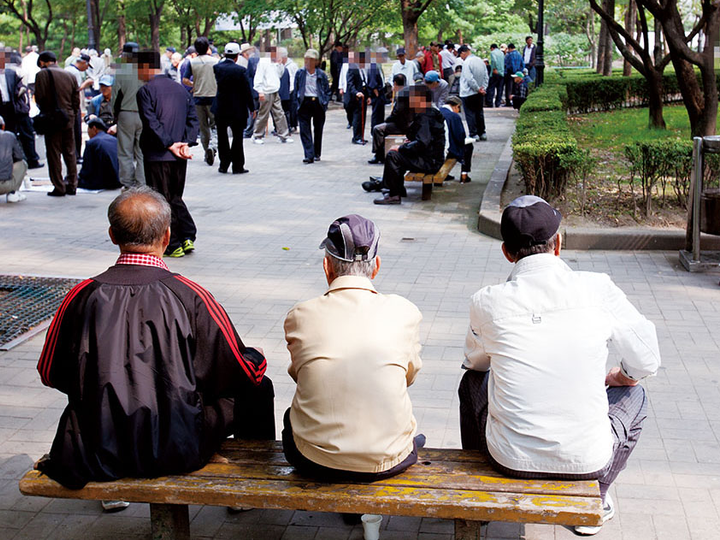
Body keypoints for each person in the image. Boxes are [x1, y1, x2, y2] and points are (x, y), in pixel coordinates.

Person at [35, 187, 275, 491]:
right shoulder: (190, 296)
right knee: (258, 388)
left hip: (95, 446)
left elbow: (50, 373)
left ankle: (112, 483)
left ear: (112, 235)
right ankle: (247, 488)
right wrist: (255, 356)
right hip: (176, 446)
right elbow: (237, 372)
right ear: (166, 236)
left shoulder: (82, 296)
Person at [459, 195, 661, 536]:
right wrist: (621, 376)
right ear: (559, 244)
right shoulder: (598, 288)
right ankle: (596, 494)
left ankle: (482, 496)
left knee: (472, 382)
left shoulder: (487, 302)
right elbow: (647, 360)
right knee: (635, 396)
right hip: (588, 461)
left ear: (507, 252)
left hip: (509, 459)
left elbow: (475, 364)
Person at [283, 214, 423, 481]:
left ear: (327, 267)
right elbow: (409, 376)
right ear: (376, 266)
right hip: (388, 458)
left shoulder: (300, 315)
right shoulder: (405, 312)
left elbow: (299, 375)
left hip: (316, 461)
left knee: (292, 416)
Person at [136, 50, 199, 258]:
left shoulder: (146, 91)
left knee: (162, 199)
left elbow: (150, 121)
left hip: (158, 153)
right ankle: (187, 235)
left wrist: (170, 143)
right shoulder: (181, 89)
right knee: (175, 195)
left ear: (146, 68)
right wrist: (185, 143)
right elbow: (192, 118)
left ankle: (172, 242)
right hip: (179, 155)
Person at [367, 85, 445, 205]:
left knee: (393, 155)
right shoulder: (431, 112)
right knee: (398, 155)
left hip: (429, 162)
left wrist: (401, 147)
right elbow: (426, 139)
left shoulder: (425, 116)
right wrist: (410, 143)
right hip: (432, 158)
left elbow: (422, 143)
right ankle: (397, 189)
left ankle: (393, 195)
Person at [35, 50, 79, 197]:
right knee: (70, 152)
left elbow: (40, 97)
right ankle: (73, 184)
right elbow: (76, 100)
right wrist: (71, 113)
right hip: (68, 118)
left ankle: (59, 186)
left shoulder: (42, 75)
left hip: (52, 119)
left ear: (42, 62)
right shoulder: (70, 75)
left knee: (54, 153)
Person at [212, 42, 253, 174]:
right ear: (237, 56)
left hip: (221, 108)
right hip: (238, 109)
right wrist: (252, 107)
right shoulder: (241, 70)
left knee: (222, 137)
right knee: (237, 138)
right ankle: (237, 166)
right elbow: (247, 90)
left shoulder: (217, 68)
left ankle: (223, 165)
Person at [0, 48, 42, 169]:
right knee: (7, 135)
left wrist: (20, 93)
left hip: (15, 108)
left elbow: (20, 87)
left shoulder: (10, 73)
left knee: (27, 133)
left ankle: (32, 160)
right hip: (2, 109)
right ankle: (9, 161)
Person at [112, 42, 146, 189]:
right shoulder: (145, 71)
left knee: (125, 151)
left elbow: (116, 96)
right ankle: (142, 183)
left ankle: (127, 183)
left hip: (126, 113)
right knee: (142, 151)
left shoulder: (121, 71)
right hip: (144, 114)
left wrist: (114, 115)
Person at [184, 37, 218, 166]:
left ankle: (206, 151)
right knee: (215, 125)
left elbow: (185, 80)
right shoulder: (215, 61)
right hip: (213, 96)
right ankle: (213, 147)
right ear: (208, 47)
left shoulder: (192, 62)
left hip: (198, 98)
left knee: (203, 128)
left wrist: (194, 84)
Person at [295, 49, 330, 164]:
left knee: (318, 129)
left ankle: (317, 153)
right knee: (304, 129)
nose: (307, 62)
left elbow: (327, 90)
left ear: (315, 61)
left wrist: (325, 102)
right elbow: (296, 89)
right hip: (304, 102)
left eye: (310, 60)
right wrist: (297, 102)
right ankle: (309, 155)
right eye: (306, 60)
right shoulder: (300, 73)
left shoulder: (321, 75)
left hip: (318, 103)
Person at [252, 46, 293, 144]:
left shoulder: (277, 63)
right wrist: (260, 91)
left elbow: (279, 74)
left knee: (280, 113)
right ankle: (257, 135)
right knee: (263, 114)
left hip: (275, 91)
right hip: (266, 91)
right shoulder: (263, 62)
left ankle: (283, 135)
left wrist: (279, 65)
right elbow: (258, 77)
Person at [367, 73, 409, 165]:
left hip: (401, 125)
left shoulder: (402, 95)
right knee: (382, 127)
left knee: (377, 129)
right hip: (404, 123)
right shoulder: (406, 92)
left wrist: (387, 120)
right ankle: (380, 153)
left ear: (395, 83)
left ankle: (378, 155)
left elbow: (396, 114)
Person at [78, 116, 120, 190]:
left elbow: (86, 169)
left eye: (88, 129)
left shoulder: (92, 143)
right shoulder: (114, 140)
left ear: (94, 128)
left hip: (102, 182)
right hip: (118, 180)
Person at [65, 53, 93, 160]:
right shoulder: (75, 72)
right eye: (87, 66)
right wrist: (87, 83)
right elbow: (77, 89)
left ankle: (73, 155)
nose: (86, 68)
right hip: (73, 105)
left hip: (66, 104)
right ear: (83, 63)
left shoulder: (67, 69)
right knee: (76, 131)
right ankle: (77, 155)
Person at [458, 45, 488, 141]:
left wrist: (477, 88)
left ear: (463, 52)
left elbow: (469, 78)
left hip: (468, 92)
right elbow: (486, 76)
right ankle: (482, 132)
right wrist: (483, 88)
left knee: (470, 113)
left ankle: (473, 133)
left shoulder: (467, 62)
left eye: (460, 55)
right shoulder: (480, 60)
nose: (461, 58)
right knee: (479, 112)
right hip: (479, 92)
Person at [440, 96, 473, 184]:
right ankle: (464, 174)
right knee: (468, 146)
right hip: (448, 149)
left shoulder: (437, 112)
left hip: (434, 149)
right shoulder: (453, 116)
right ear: (456, 106)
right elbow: (460, 136)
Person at [0, 114, 28, 203]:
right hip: (4, 185)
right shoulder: (9, 136)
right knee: (23, 163)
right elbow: (19, 156)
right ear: (3, 126)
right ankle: (12, 193)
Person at [344, 51, 370, 145]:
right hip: (355, 97)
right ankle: (356, 137)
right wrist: (356, 93)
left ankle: (361, 136)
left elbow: (365, 82)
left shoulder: (363, 69)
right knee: (357, 117)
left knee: (363, 117)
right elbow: (350, 83)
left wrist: (368, 95)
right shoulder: (352, 69)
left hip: (364, 94)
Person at [278, 48, 298, 134]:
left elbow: (296, 78)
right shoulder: (279, 65)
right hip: (284, 90)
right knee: (284, 109)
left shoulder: (292, 65)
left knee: (292, 109)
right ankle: (286, 126)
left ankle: (293, 125)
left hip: (292, 90)